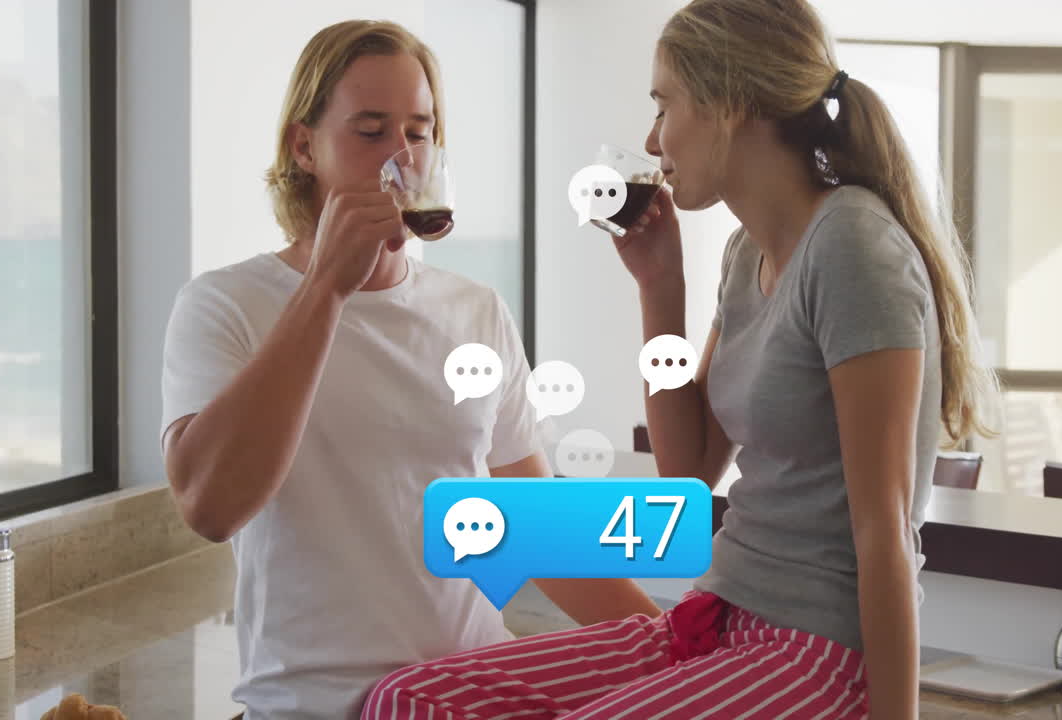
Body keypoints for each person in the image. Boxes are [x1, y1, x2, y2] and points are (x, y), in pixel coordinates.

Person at [365, 0, 998, 718]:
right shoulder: (746, 252)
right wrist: (660, 288)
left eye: (664, 105)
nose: (652, 137)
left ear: (730, 104)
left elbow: (883, 529)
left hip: (820, 651)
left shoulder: (855, 250)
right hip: (719, 618)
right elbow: (689, 469)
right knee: (408, 699)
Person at [159, 20, 660, 720]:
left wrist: (674, 643)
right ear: (304, 146)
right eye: (370, 131)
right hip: (313, 706)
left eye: (419, 132)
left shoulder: (474, 310)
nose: (402, 156)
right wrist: (327, 287)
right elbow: (209, 507)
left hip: (472, 692)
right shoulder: (224, 305)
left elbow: (529, 524)